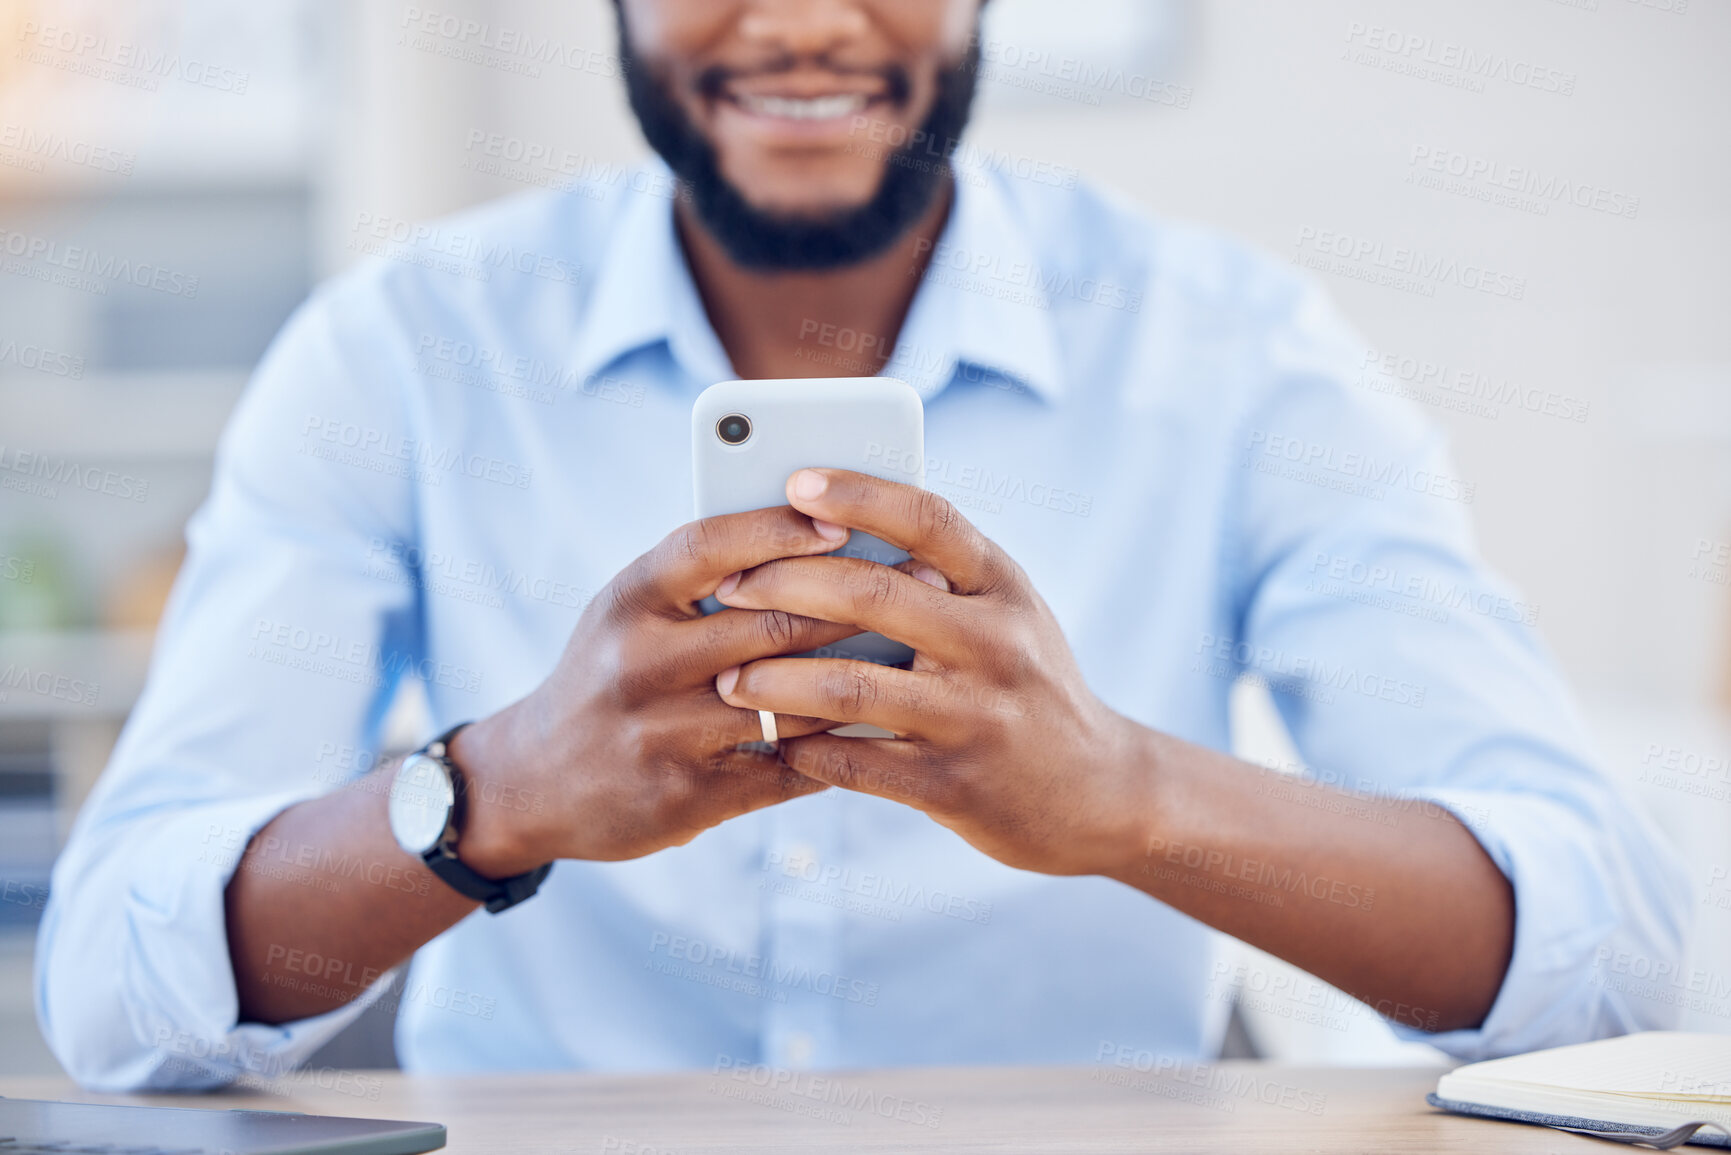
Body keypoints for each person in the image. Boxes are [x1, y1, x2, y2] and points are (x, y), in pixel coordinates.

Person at [39, 0, 1686, 1089]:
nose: (811, 19)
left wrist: (1132, 800)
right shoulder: (402, 347)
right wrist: (495, 794)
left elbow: (1600, 977)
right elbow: (121, 999)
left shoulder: (1238, 351)